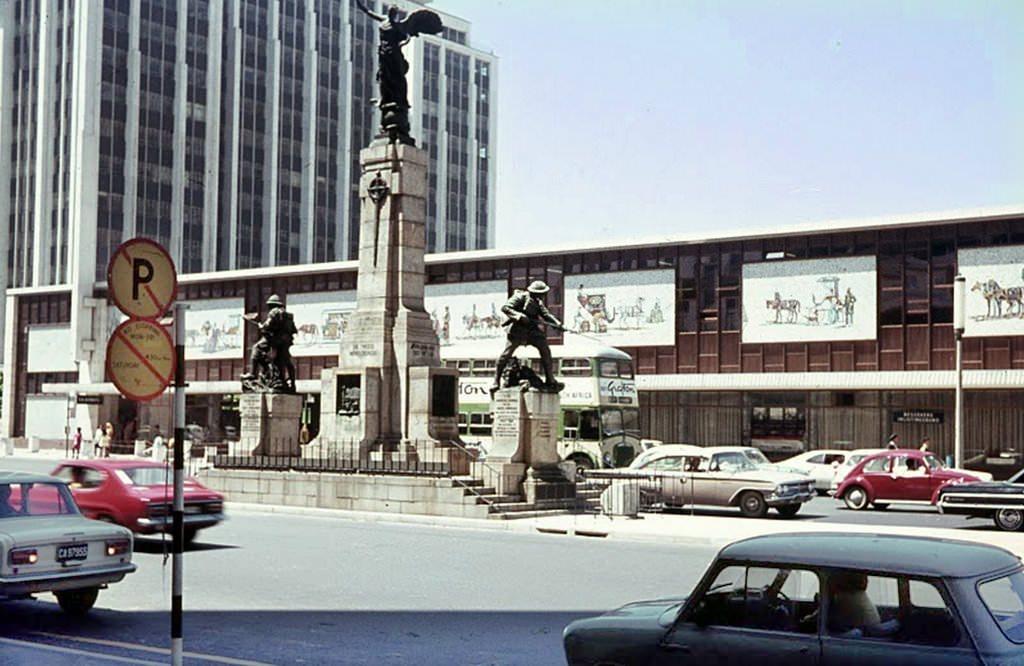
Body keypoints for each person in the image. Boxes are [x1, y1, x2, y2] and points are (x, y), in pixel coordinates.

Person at [492, 281, 565, 394]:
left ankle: (550, 379)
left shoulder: (538, 302)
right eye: (541, 293)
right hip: (517, 329)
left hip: (531, 331)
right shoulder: (520, 296)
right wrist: (519, 316)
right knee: (506, 355)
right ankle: (496, 381)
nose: (543, 295)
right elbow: (506, 308)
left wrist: (558, 324)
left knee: (545, 350)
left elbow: (546, 315)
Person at [244, 294, 298, 393]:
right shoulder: (288, 316)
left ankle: (252, 374)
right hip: (285, 343)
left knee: (256, 348)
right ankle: (292, 383)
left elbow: (267, 326)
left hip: (274, 341)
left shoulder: (274, 312)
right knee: (286, 361)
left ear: (272, 305)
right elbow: (294, 330)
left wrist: (260, 326)